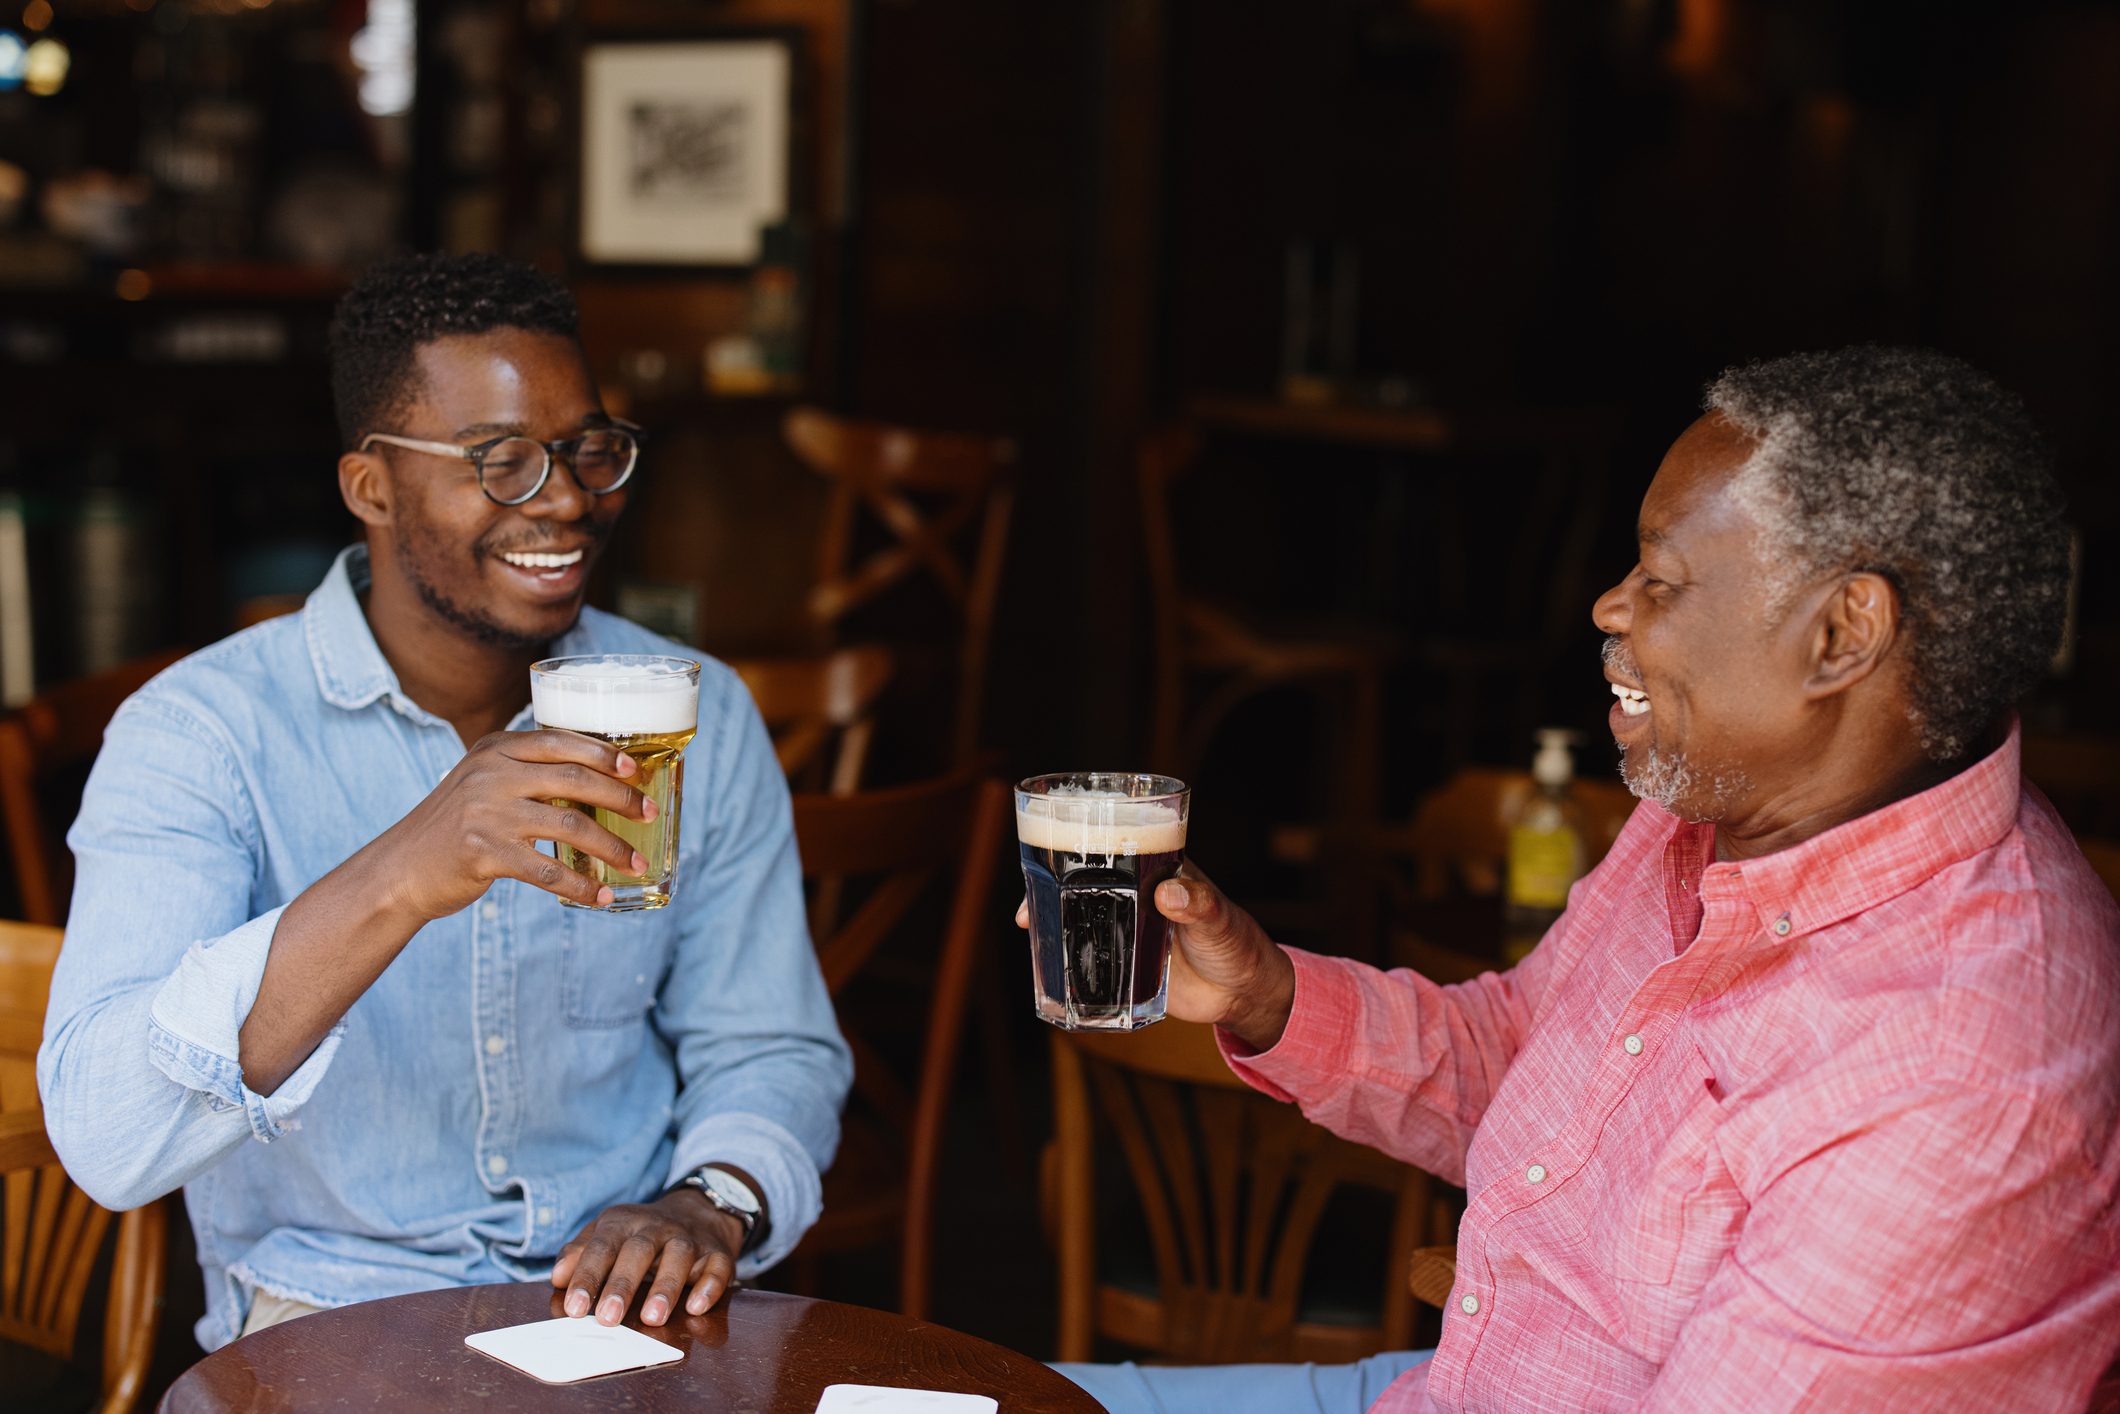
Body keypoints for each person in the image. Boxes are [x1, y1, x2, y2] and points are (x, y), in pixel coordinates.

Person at [1049, 347, 2120, 1412]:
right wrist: (1267, 993)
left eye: (1659, 578)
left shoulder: (1956, 1072)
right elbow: (1526, 1068)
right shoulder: (1709, 808)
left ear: (1841, 634)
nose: (1610, 608)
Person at [38, 252, 852, 1348]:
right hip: (330, 1319)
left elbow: (770, 1045)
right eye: (500, 461)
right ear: (369, 486)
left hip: (623, 1317)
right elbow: (108, 1138)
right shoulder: (200, 734)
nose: (565, 499)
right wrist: (400, 873)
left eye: (586, 452)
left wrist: (704, 1201)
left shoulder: (693, 711)